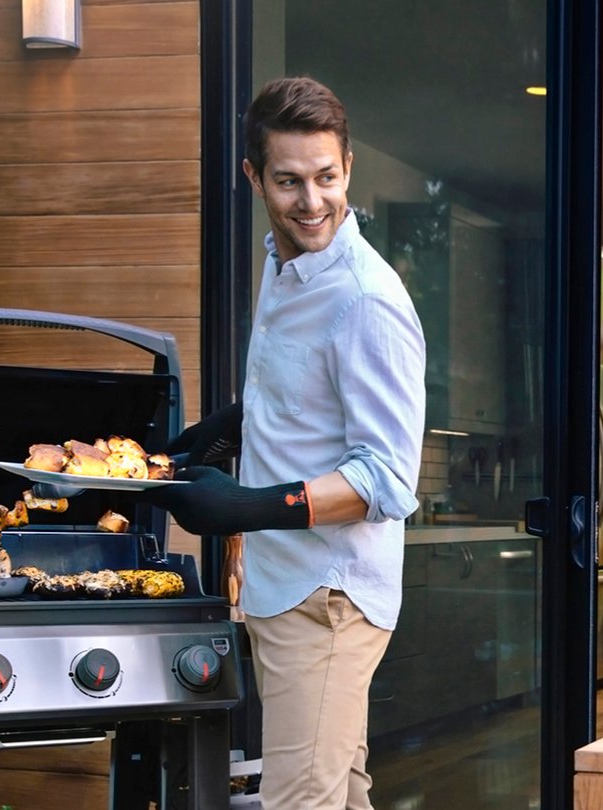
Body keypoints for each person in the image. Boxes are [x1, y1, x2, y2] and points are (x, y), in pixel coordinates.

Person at [145, 76, 426, 810]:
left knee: (300, 801)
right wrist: (224, 430)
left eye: (327, 178)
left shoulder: (365, 299)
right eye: (289, 181)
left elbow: (386, 481)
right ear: (254, 176)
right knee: (341, 796)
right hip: (282, 590)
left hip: (326, 600)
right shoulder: (286, 264)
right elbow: (306, 393)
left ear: (348, 168)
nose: (312, 202)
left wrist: (244, 507)